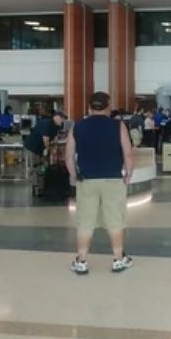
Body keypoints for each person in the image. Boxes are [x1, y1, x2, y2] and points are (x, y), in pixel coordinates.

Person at [66, 92, 134, 275]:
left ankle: (81, 261)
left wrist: (75, 176)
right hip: (112, 180)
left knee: (85, 223)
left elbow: (69, 157)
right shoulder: (118, 126)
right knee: (115, 221)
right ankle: (118, 260)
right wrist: (128, 175)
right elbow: (128, 154)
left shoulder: (77, 126)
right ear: (108, 107)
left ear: (89, 107)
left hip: (87, 181)